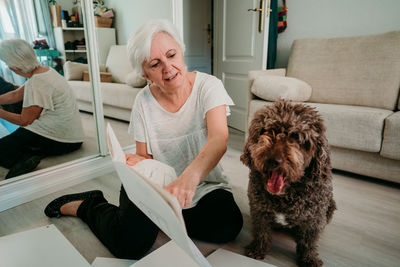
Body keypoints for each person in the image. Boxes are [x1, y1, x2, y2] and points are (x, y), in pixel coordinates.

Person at [44, 19, 243, 259]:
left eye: (172, 55)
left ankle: (156, 220)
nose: (168, 68)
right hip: (156, 188)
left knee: (228, 225)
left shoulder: (209, 86)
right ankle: (90, 205)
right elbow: (145, 159)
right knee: (127, 245)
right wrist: (136, 163)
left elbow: (219, 139)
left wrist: (187, 181)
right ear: (144, 73)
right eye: (155, 64)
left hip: (202, 186)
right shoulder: (143, 101)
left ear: (181, 51)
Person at [0, 39, 85, 179]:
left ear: (14, 65)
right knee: (15, 140)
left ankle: (24, 159)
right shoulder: (45, 71)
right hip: (73, 136)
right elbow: (16, 94)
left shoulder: (38, 82)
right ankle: (29, 153)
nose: (8, 67)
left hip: (62, 140)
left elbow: (24, 120)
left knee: (2, 148)